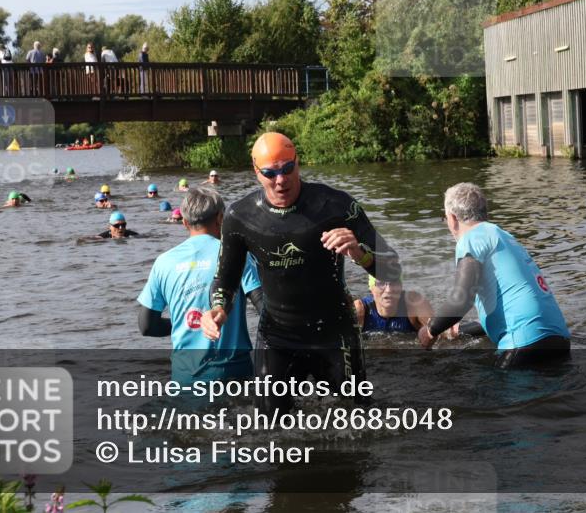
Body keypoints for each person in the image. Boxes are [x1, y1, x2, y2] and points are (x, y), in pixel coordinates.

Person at [201, 132, 402, 414]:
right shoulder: (240, 216)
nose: (281, 180)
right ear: (256, 172)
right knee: (268, 428)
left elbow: (391, 267)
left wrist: (359, 253)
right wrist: (219, 309)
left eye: (288, 169)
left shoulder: (335, 205)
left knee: (357, 423)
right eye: (270, 173)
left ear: (298, 163)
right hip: (277, 335)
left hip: (334, 332)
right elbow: (226, 278)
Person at [418, 182, 571, 369]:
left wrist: (430, 330)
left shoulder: (470, 239)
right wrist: (459, 330)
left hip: (524, 342)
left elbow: (461, 300)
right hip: (559, 340)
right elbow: (511, 309)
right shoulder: (503, 236)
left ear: (452, 218)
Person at [138, 187, 260, 383]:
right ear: (221, 218)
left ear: (185, 222)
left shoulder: (163, 262)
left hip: (185, 378)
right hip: (234, 375)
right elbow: (264, 306)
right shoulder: (237, 255)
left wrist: (185, 323)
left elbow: (146, 326)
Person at [354, 275, 432, 334]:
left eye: (394, 282)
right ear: (371, 288)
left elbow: (440, 335)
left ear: (401, 286)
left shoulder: (414, 304)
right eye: (381, 283)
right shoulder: (360, 310)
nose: (389, 290)